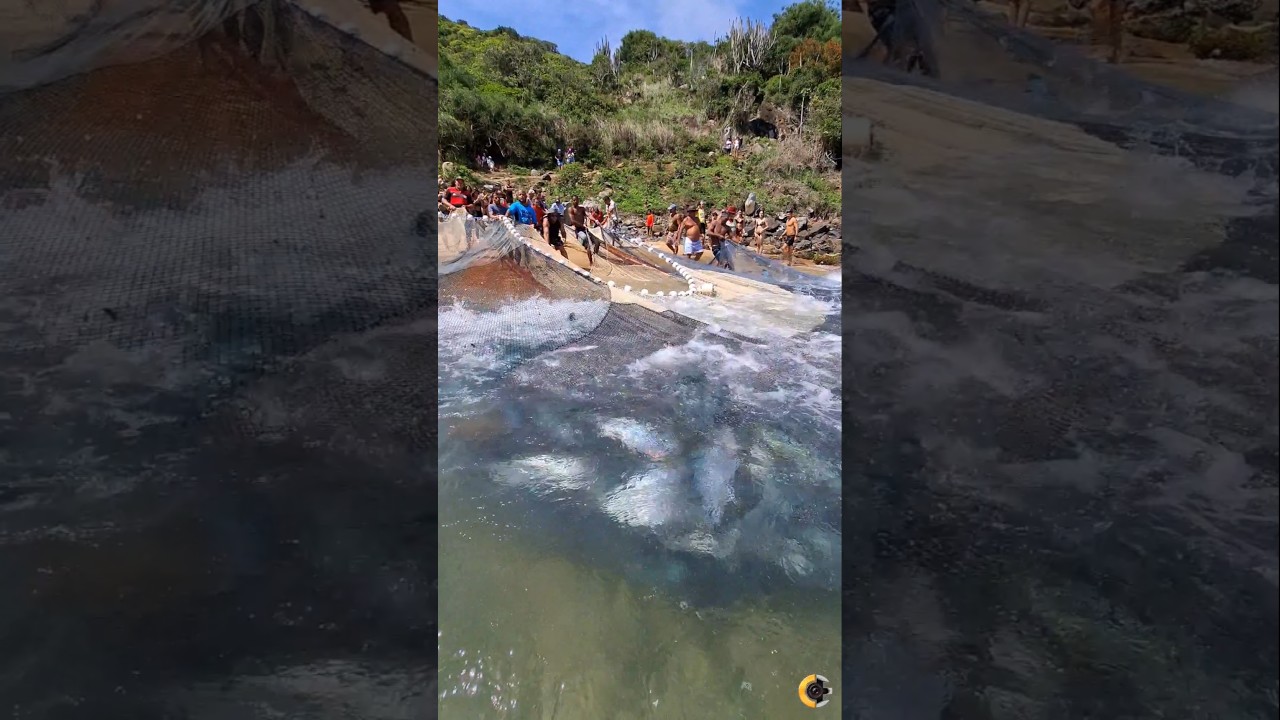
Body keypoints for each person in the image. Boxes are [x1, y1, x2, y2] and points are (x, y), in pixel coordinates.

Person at [566, 196, 599, 266]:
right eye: (574, 200)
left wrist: (595, 220)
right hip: (578, 230)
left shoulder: (582, 209)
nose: (576, 201)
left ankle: (595, 256)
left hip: (585, 229)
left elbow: (588, 215)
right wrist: (582, 225)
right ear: (572, 201)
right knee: (587, 242)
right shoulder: (571, 209)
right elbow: (573, 221)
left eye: (577, 200)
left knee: (597, 242)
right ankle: (591, 262)